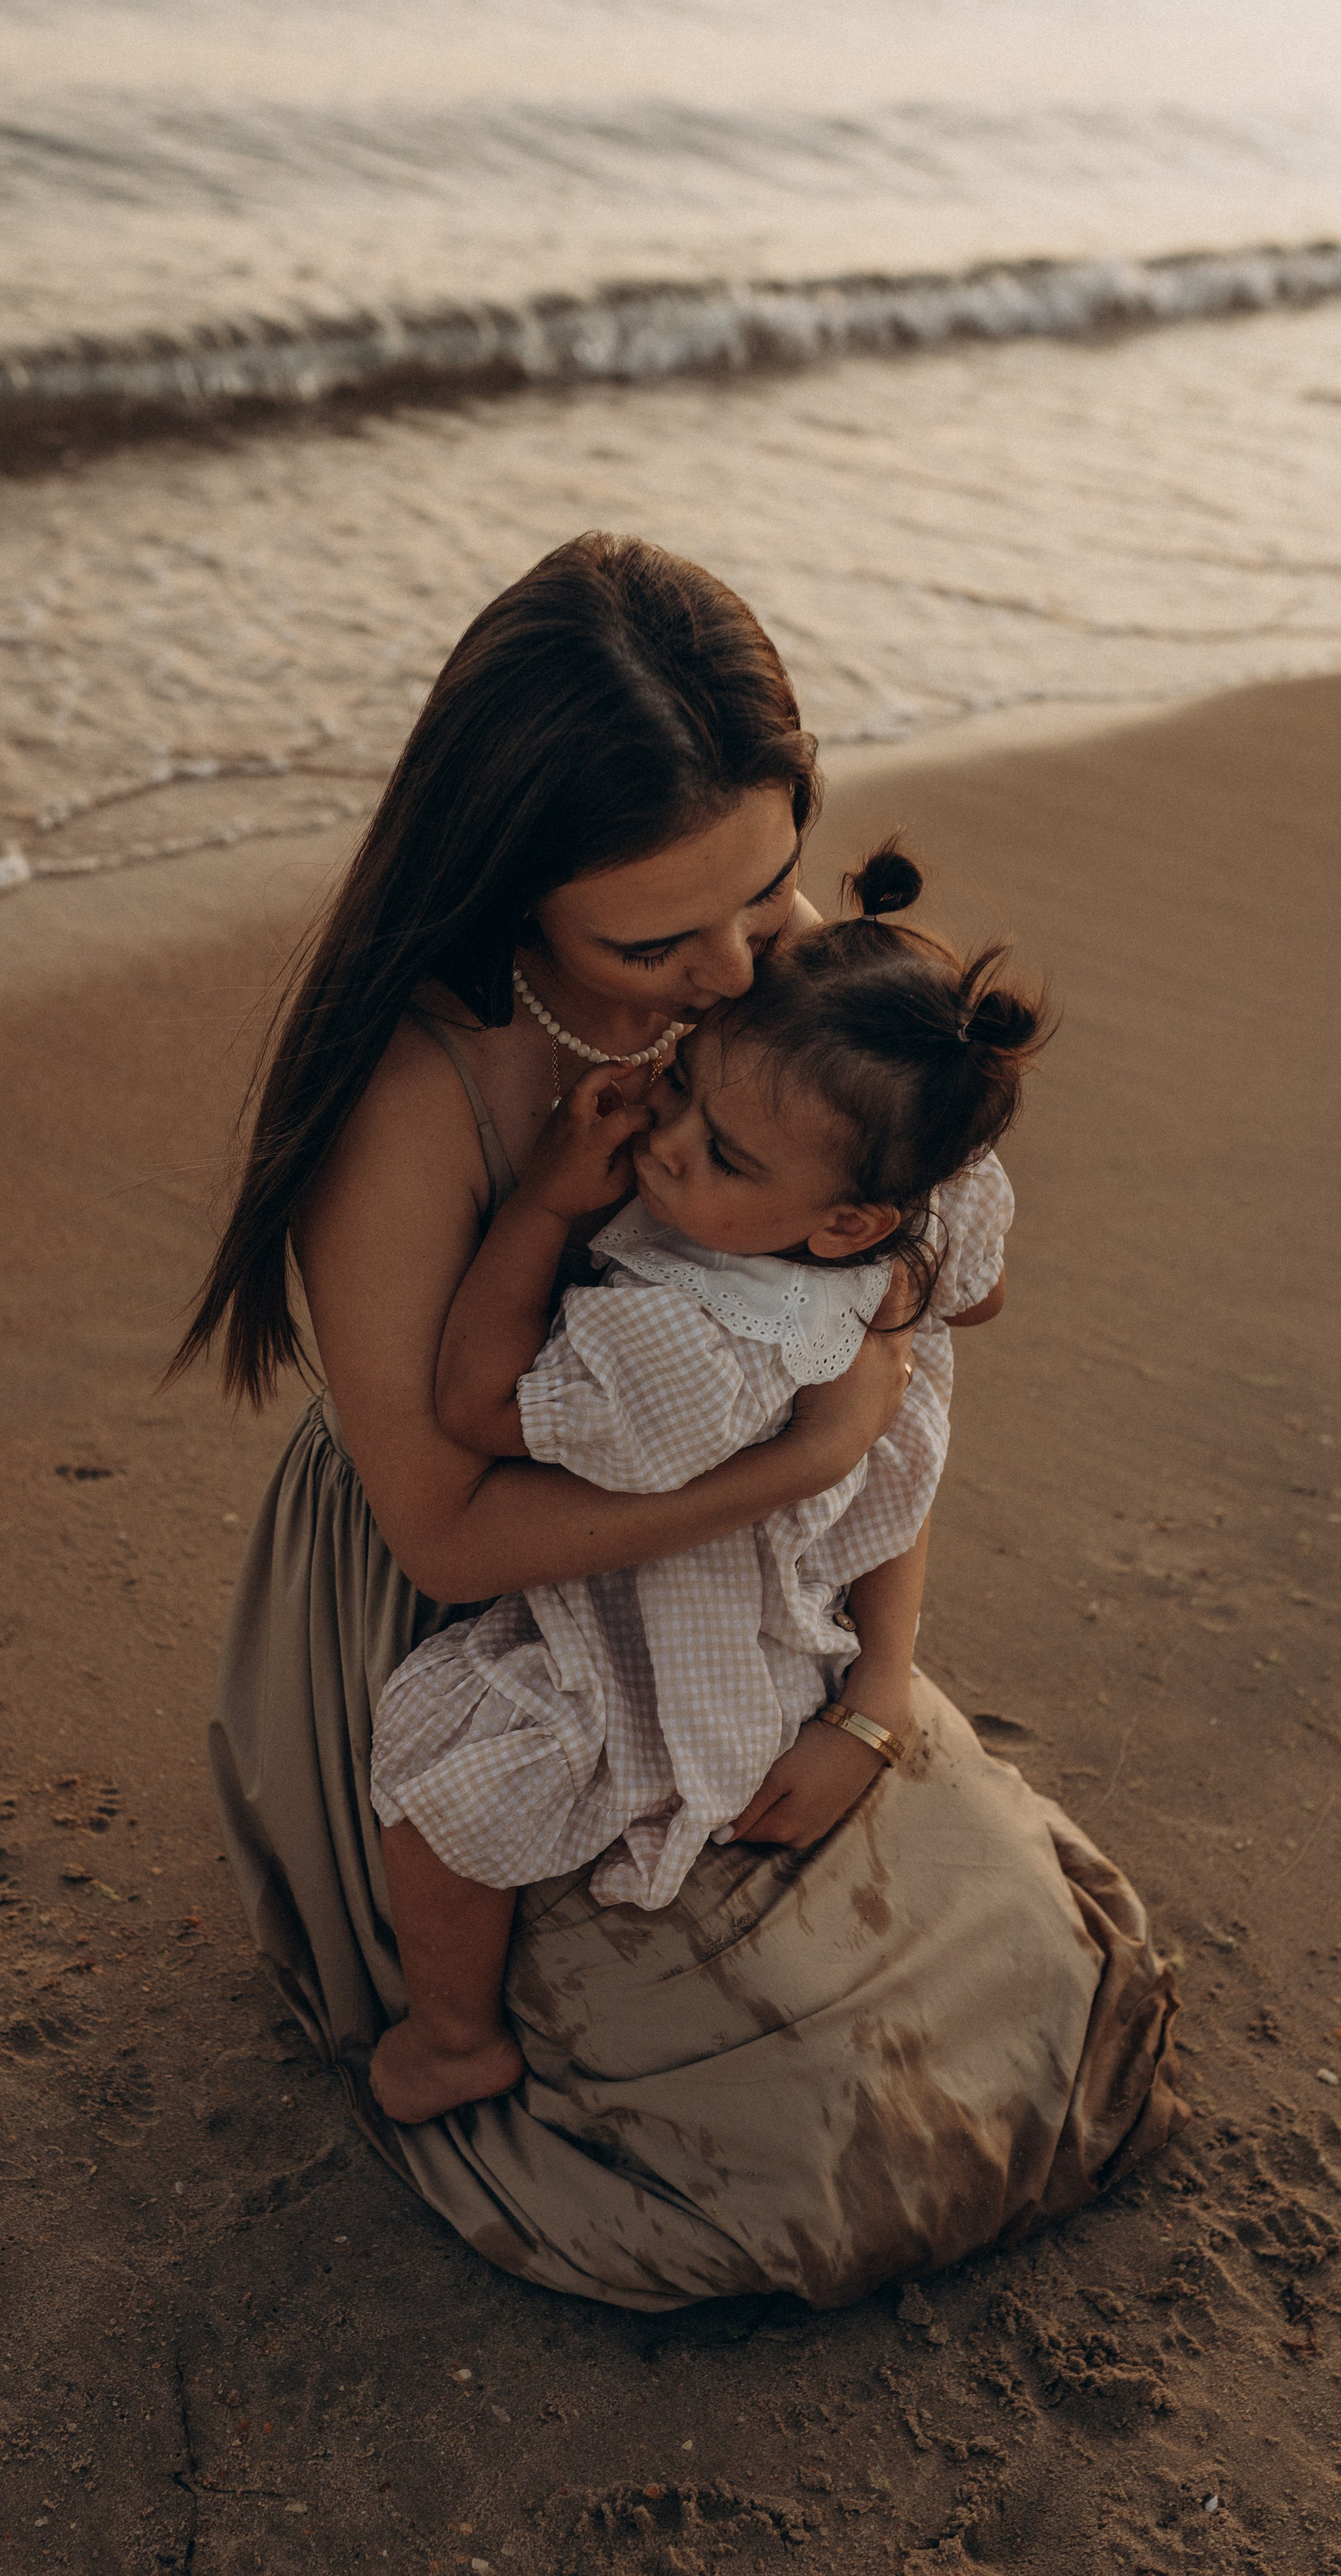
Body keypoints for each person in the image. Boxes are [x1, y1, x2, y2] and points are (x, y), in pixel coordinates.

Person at [182, 531, 1184, 2312]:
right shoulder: (415, 1095)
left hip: (745, 1597)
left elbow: (904, 1358)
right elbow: (449, 1530)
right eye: (656, 939)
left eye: (770, 888)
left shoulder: (783, 984)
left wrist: (876, 1695)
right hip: (485, 1618)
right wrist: (802, 1459)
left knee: (1040, 1990)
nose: (736, 968)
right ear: (511, 890)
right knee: (811, 2146)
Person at [367, 845, 1044, 2123]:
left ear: (843, 1223)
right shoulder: (911, 1208)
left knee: (449, 1782)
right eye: (679, 1087)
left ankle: (451, 2038)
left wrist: (545, 1206)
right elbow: (984, 1290)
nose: (666, 1148)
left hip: (660, 1629)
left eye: (724, 1157)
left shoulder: (686, 1340)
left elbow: (476, 1405)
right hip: (813, 1594)